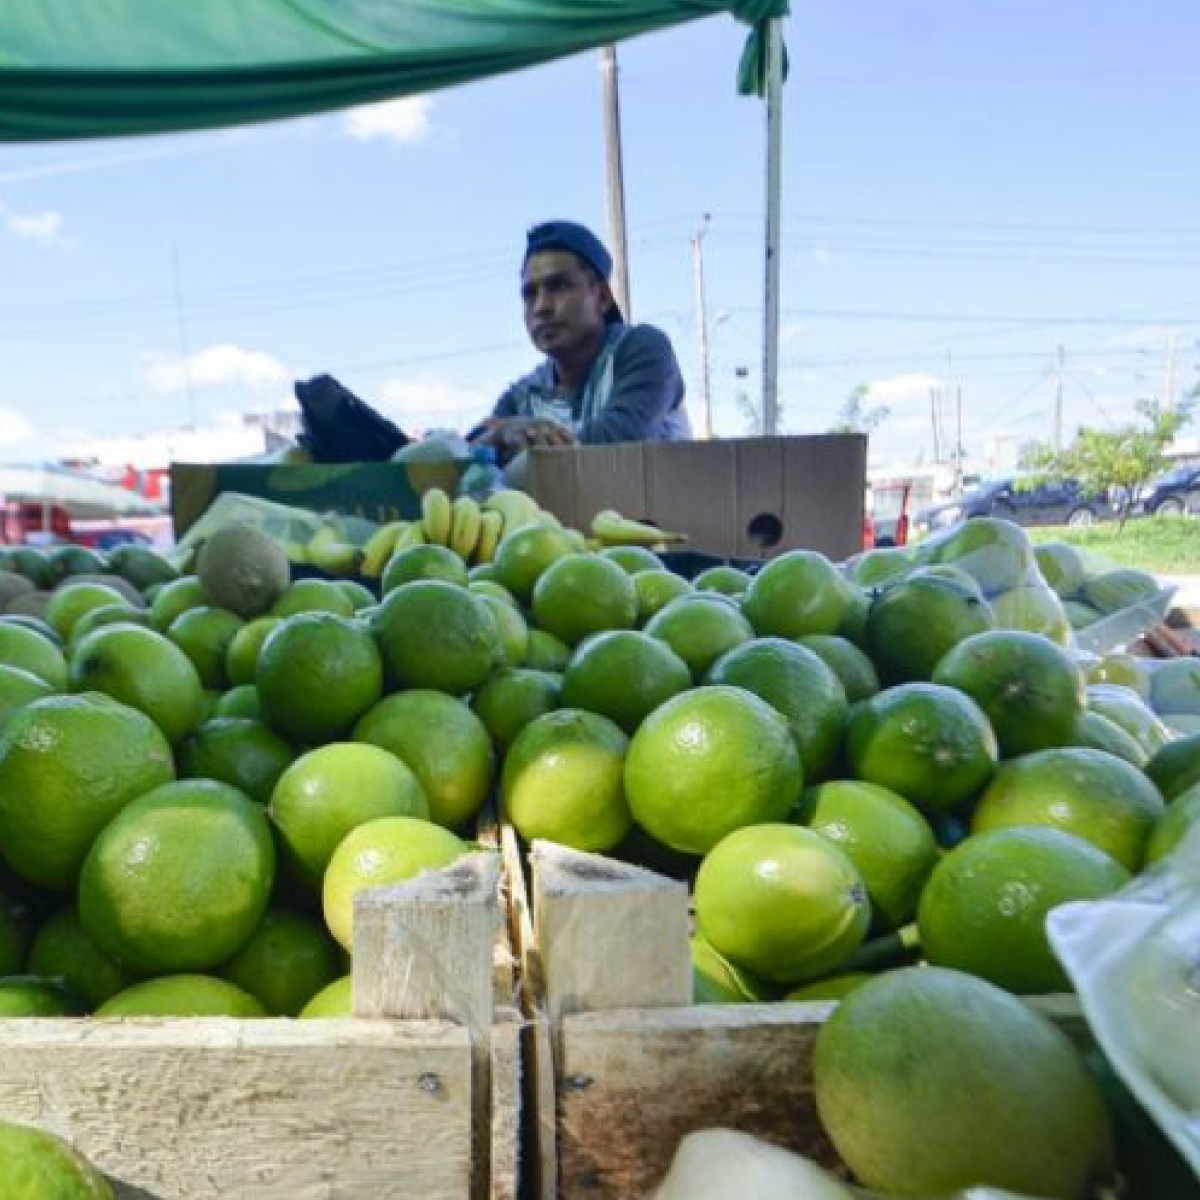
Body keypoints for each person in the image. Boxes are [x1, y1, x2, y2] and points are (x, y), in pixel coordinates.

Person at [473, 220, 691, 462]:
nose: (541, 307)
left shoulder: (643, 350)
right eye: (530, 294)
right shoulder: (524, 395)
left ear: (602, 297)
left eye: (559, 286)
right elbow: (466, 455)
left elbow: (616, 444)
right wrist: (502, 432)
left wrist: (517, 444)